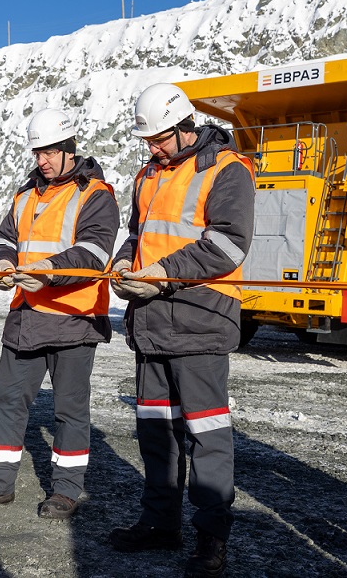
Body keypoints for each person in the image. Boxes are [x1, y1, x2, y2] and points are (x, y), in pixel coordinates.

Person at [107, 83, 255, 578]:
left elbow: (228, 245)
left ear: (185, 126)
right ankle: (160, 523)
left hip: (200, 320)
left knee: (206, 434)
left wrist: (162, 274)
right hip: (151, 323)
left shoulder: (227, 169)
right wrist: (125, 264)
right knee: (156, 431)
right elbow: (138, 235)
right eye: (147, 141)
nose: (152, 148)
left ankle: (212, 539)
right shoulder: (147, 175)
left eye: (159, 139)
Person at [0, 108, 119, 519]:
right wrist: (2, 263)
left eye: (48, 152)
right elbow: (4, 238)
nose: (41, 160)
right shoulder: (25, 194)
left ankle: (65, 490)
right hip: (26, 314)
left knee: (69, 409)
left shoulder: (96, 194)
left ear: (69, 150)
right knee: (6, 401)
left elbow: (94, 252)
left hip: (74, 317)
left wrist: (47, 271)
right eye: (37, 153)